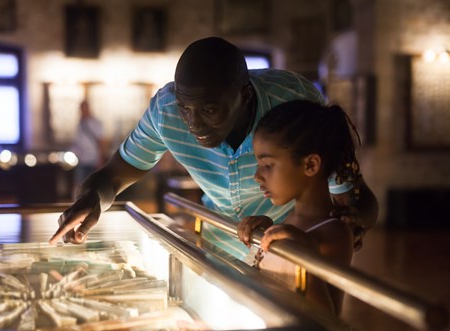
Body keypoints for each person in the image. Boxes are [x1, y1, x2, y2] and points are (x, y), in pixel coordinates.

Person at [49, 36, 378, 261]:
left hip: (289, 246)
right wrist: (91, 199)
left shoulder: (291, 103)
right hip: (218, 240)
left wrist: (345, 227)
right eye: (185, 107)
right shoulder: (165, 111)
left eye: (209, 109)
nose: (192, 123)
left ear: (244, 96)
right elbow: (112, 176)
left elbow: (351, 197)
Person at [237, 99, 361, 314]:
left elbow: (326, 318)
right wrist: (264, 233)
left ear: (310, 165)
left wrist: (304, 253)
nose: (257, 176)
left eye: (267, 165)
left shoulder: (335, 232)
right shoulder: (290, 219)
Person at [70, 100, 106, 196]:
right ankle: (78, 202)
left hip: (94, 159)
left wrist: (100, 158)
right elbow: (77, 142)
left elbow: (101, 142)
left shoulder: (96, 123)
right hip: (82, 160)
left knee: (93, 184)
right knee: (79, 183)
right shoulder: (79, 124)